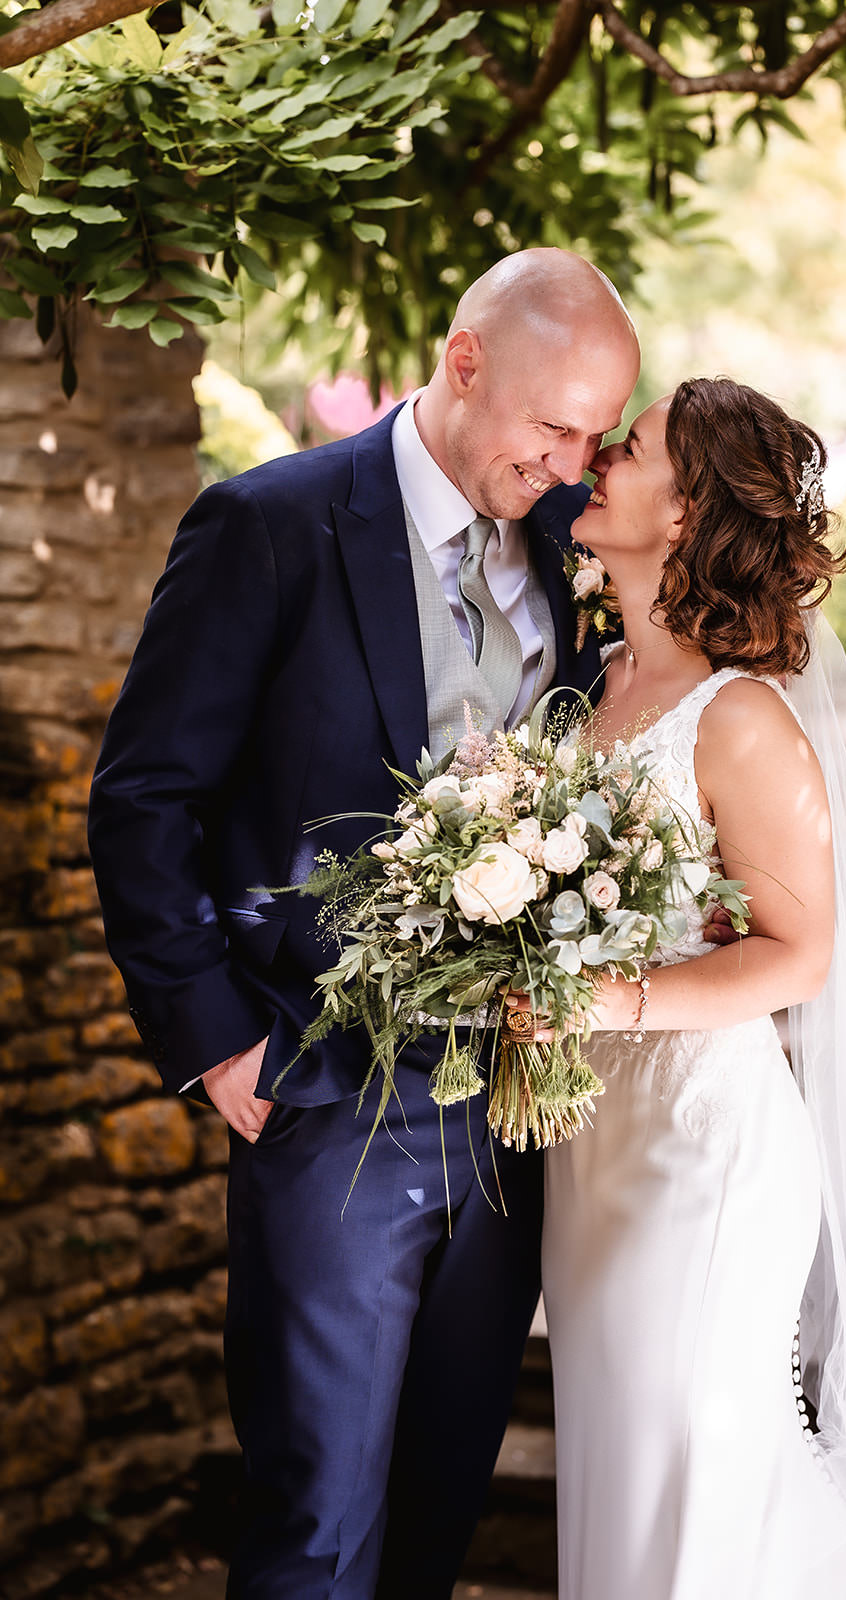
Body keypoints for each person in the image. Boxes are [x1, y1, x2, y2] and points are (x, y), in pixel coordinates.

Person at [87, 248, 640, 1598]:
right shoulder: (268, 525)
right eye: (550, 425)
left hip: (511, 1113)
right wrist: (217, 1040)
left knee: (434, 1511)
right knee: (316, 1522)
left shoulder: (572, 550)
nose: (573, 462)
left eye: (594, 433)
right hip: (328, 1097)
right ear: (463, 365)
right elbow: (142, 797)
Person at [528, 377, 846, 1600]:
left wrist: (609, 1000)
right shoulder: (586, 685)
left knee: (704, 1485)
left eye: (636, 445)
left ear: (686, 511)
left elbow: (796, 952)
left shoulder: (741, 718)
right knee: (627, 1472)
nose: (599, 453)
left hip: (699, 1155)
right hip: (590, 1148)